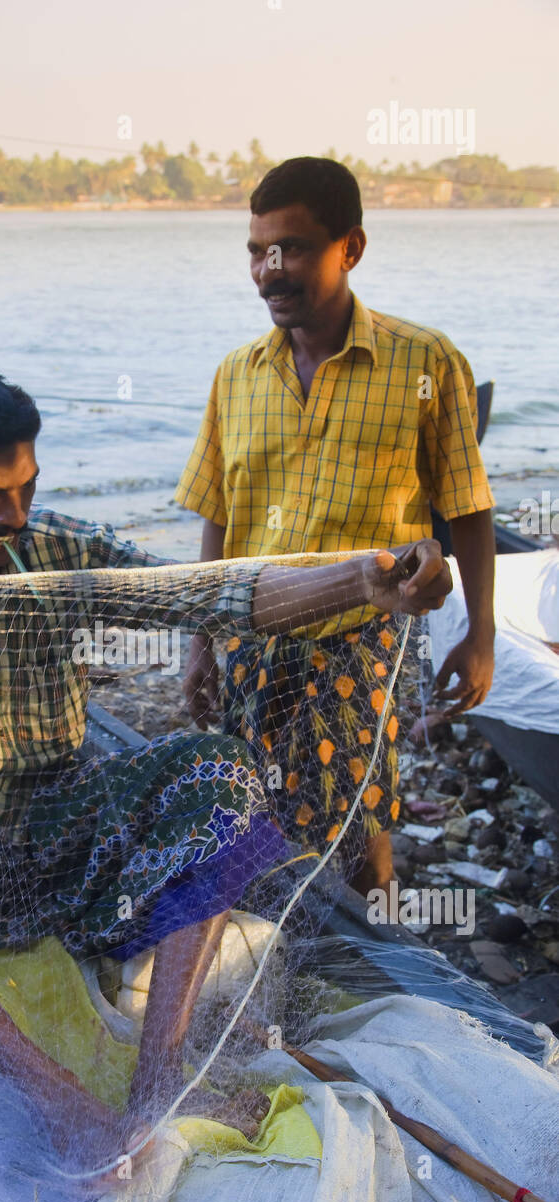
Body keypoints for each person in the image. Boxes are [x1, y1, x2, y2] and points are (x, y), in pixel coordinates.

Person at [0, 361, 451, 1171]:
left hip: (63, 848)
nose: (12, 515)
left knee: (217, 767)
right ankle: (50, 1095)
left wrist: (365, 580)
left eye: (25, 485)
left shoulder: (62, 547)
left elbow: (210, 593)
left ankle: (163, 1075)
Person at [175, 156, 496, 897]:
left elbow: (469, 510)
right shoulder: (237, 375)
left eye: (291, 249)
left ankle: (382, 965)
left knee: (357, 808)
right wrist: (199, 643)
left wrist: (479, 637)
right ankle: (280, 943)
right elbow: (219, 518)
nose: (269, 270)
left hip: (364, 632)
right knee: (252, 800)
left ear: (350, 247)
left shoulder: (425, 362)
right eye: (257, 251)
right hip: (255, 626)